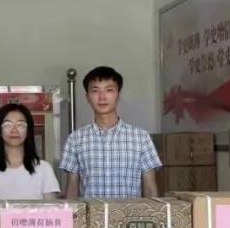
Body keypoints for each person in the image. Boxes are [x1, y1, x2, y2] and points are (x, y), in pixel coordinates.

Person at [61, 66, 161, 199]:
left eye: (109, 90)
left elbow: (150, 188)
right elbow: (72, 188)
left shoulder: (141, 138)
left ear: (118, 94)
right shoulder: (75, 139)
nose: (102, 97)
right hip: (92, 212)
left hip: (130, 212)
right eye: (95, 91)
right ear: (87, 97)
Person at [0, 103, 60, 202]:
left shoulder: (44, 169)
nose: (14, 130)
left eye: (20, 125)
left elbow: (51, 209)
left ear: (28, 131)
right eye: (8, 125)